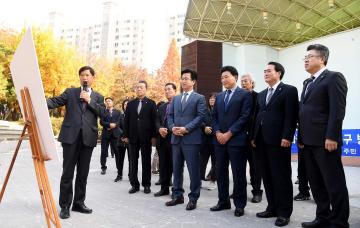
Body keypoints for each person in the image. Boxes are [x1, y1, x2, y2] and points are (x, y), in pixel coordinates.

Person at [298, 44, 349, 228]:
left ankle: (339, 221)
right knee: (316, 182)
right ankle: (323, 217)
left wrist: (332, 136)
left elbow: (337, 110)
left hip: (326, 141)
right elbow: (304, 111)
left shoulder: (333, 78)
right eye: (304, 57)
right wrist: (301, 137)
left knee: (333, 183)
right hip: (308, 141)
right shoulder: (307, 82)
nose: (306, 59)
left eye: (309, 56)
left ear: (322, 59)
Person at [46, 66, 105, 219]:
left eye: (87, 75)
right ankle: (65, 206)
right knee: (67, 173)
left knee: (83, 174)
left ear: (93, 77)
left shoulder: (98, 97)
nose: (84, 78)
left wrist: (89, 100)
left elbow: (103, 114)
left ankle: (79, 203)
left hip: (88, 139)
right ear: (79, 77)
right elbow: (55, 101)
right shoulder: (71, 92)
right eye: (82, 75)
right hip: (70, 138)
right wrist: (38, 99)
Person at [252, 62, 298, 227]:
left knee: (281, 177)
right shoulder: (261, 94)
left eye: (269, 71)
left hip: (279, 141)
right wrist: (254, 136)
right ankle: (272, 207)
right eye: (264, 71)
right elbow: (258, 116)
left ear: (279, 73)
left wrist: (287, 136)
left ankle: (284, 212)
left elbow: (291, 116)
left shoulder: (289, 90)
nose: (265, 73)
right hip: (261, 141)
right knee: (267, 176)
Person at [210, 66, 252, 217]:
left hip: (237, 141)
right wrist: (217, 132)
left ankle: (240, 204)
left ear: (235, 76)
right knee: (220, 172)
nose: (223, 80)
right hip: (219, 141)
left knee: (238, 174)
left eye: (226, 77)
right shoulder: (220, 96)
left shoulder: (245, 95)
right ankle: (223, 201)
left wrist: (229, 133)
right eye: (222, 78)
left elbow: (244, 117)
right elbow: (213, 117)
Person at [165, 69, 206, 211]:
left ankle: (193, 198)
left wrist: (186, 128)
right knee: (176, 169)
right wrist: (172, 128)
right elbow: (169, 116)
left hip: (191, 139)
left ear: (193, 81)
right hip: (176, 138)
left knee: (193, 170)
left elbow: (200, 116)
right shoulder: (175, 98)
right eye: (182, 78)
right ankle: (177, 196)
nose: (183, 81)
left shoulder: (199, 98)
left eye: (186, 79)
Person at [123, 80, 157, 194]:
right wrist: (126, 135)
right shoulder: (131, 104)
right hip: (132, 137)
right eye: (137, 87)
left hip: (146, 137)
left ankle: (146, 185)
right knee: (132, 161)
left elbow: (154, 121)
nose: (139, 89)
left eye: (141, 87)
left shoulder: (152, 103)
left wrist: (153, 136)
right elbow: (126, 120)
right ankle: (134, 185)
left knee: (146, 161)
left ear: (146, 89)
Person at [240, 73, 263, 203]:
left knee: (255, 166)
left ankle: (257, 192)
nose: (243, 83)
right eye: (242, 81)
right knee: (239, 166)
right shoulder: (238, 97)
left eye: (246, 81)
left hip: (253, 138)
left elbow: (259, 118)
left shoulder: (258, 96)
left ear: (252, 83)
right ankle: (240, 191)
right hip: (238, 136)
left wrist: (255, 136)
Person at [154, 83, 177, 197]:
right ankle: (164, 188)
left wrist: (168, 129)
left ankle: (176, 190)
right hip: (162, 139)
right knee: (163, 165)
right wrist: (159, 129)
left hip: (173, 139)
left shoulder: (179, 104)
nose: (167, 91)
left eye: (169, 89)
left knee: (175, 165)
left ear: (175, 91)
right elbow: (157, 120)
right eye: (165, 90)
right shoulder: (162, 106)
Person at [100, 97, 122, 175]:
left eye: (109, 101)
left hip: (115, 134)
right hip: (106, 134)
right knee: (103, 151)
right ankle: (103, 167)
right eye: (106, 102)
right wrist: (109, 125)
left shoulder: (118, 112)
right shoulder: (103, 112)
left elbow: (119, 121)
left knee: (117, 152)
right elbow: (101, 122)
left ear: (113, 102)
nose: (108, 102)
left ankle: (119, 168)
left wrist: (114, 125)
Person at [200, 92, 217, 191]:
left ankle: (213, 181)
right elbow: (200, 120)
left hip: (215, 139)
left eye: (214, 98)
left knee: (215, 162)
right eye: (210, 98)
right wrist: (204, 127)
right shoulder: (204, 110)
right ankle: (200, 180)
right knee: (202, 161)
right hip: (205, 140)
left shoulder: (220, 111)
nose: (211, 100)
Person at [114, 99, 129, 182]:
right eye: (125, 104)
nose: (126, 105)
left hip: (130, 141)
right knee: (120, 159)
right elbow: (117, 126)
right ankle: (119, 175)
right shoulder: (121, 115)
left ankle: (131, 175)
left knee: (131, 159)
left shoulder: (133, 115)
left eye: (128, 104)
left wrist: (128, 136)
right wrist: (123, 135)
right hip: (121, 140)